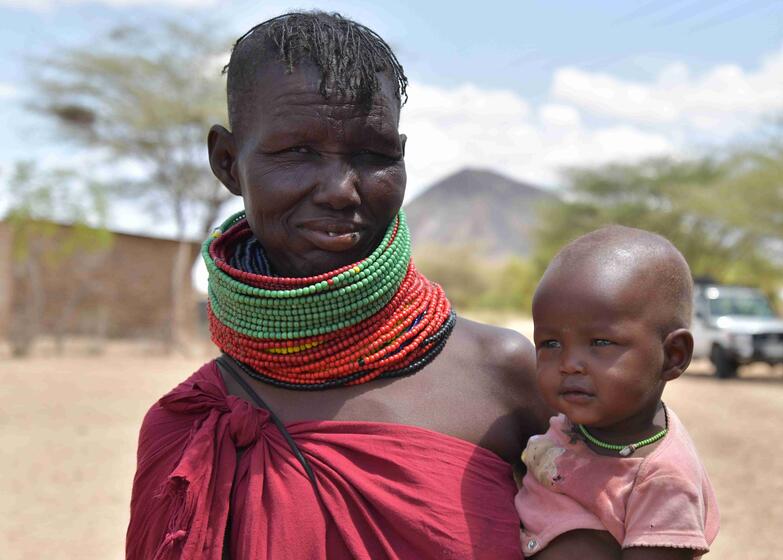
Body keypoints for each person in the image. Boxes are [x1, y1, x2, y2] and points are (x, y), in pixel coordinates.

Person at [125, 11, 549, 559]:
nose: (341, 190)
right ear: (228, 163)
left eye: (373, 156)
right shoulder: (190, 425)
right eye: (297, 151)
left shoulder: (506, 376)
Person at [515, 226, 720, 559]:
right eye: (550, 343)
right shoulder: (569, 423)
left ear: (673, 356)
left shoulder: (662, 480)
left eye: (601, 343)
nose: (569, 364)